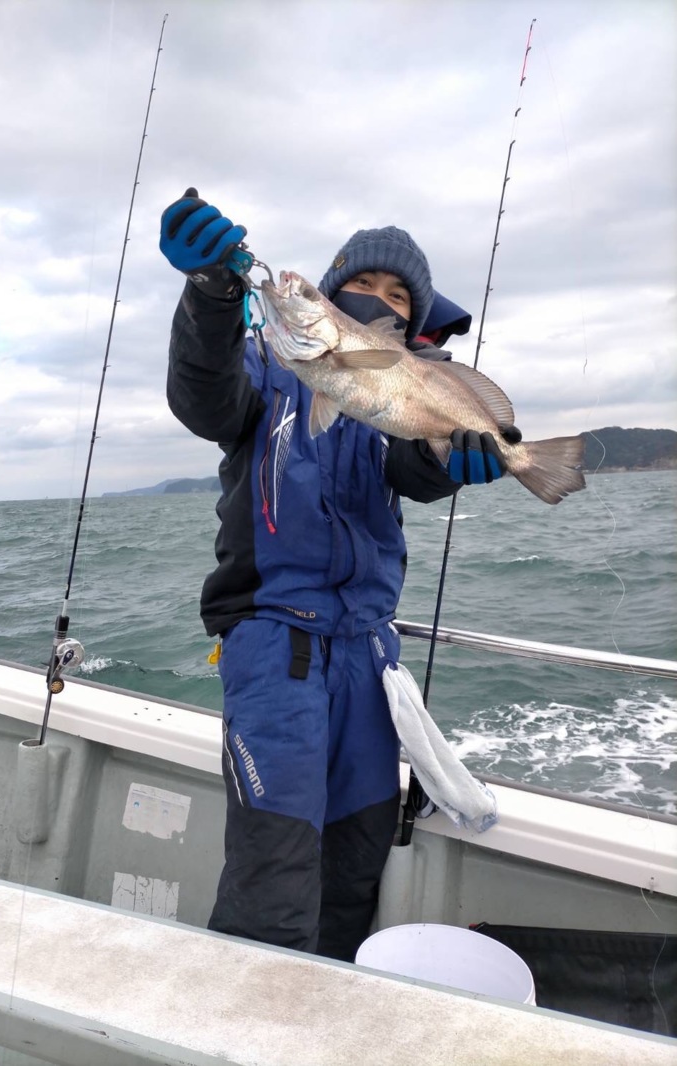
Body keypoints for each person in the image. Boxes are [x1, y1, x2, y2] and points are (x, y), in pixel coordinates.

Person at [160, 189, 505, 962]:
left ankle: (327, 1009)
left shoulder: (404, 392)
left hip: (371, 659)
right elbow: (204, 396)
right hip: (274, 649)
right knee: (274, 883)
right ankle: (250, 1018)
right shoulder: (264, 370)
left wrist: (454, 456)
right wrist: (212, 293)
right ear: (331, 294)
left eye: (398, 297)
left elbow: (413, 469)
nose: (377, 300)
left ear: (411, 323)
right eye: (361, 284)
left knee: (355, 866)